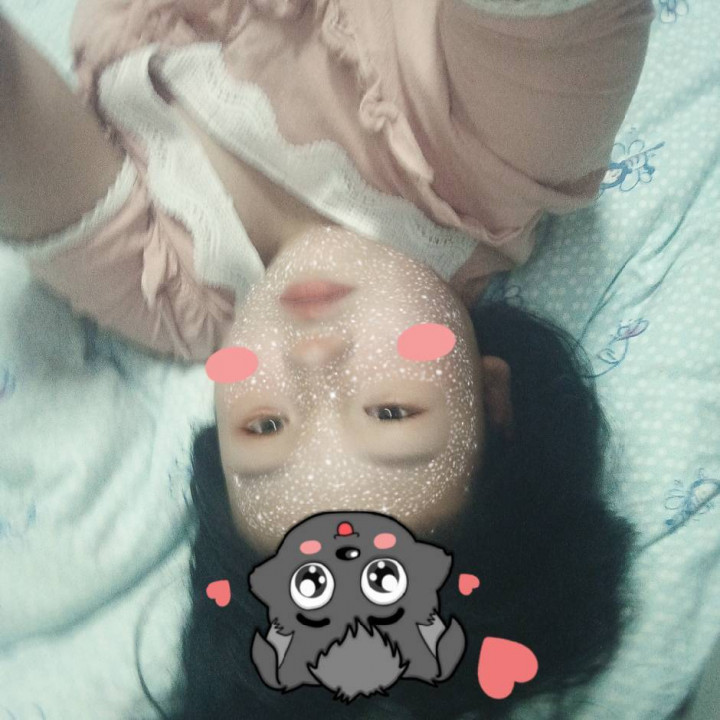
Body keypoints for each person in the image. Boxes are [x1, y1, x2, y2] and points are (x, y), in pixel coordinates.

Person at [0, 0, 654, 716]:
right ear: (493, 400)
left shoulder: (168, 293)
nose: (311, 356)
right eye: (390, 411)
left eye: (265, 427)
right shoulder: (507, 151)